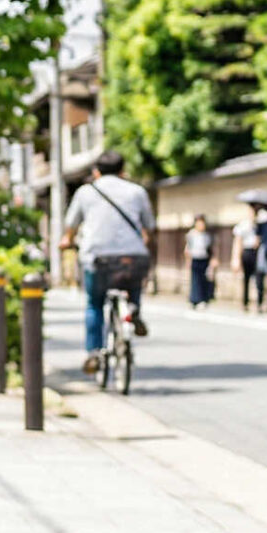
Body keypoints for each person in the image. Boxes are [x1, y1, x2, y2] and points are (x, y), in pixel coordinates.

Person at [61, 151, 154, 374]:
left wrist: (67, 240)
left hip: (98, 258)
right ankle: (134, 310)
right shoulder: (137, 191)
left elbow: (71, 225)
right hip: (133, 256)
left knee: (94, 304)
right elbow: (148, 225)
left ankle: (94, 352)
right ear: (123, 171)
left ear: (96, 172)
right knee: (133, 281)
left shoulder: (86, 192)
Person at [185, 214, 215, 308]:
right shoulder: (191, 234)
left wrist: (212, 260)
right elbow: (187, 248)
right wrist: (188, 260)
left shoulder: (206, 235)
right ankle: (194, 299)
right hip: (195, 258)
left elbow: (210, 249)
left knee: (203, 279)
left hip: (204, 258)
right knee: (195, 279)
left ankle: (203, 299)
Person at [233, 213, 262, 310]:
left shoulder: (260, 225)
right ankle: (245, 302)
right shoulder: (243, 225)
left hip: (257, 252)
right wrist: (236, 258)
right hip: (247, 252)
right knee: (246, 279)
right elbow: (238, 241)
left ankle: (259, 302)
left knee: (259, 278)